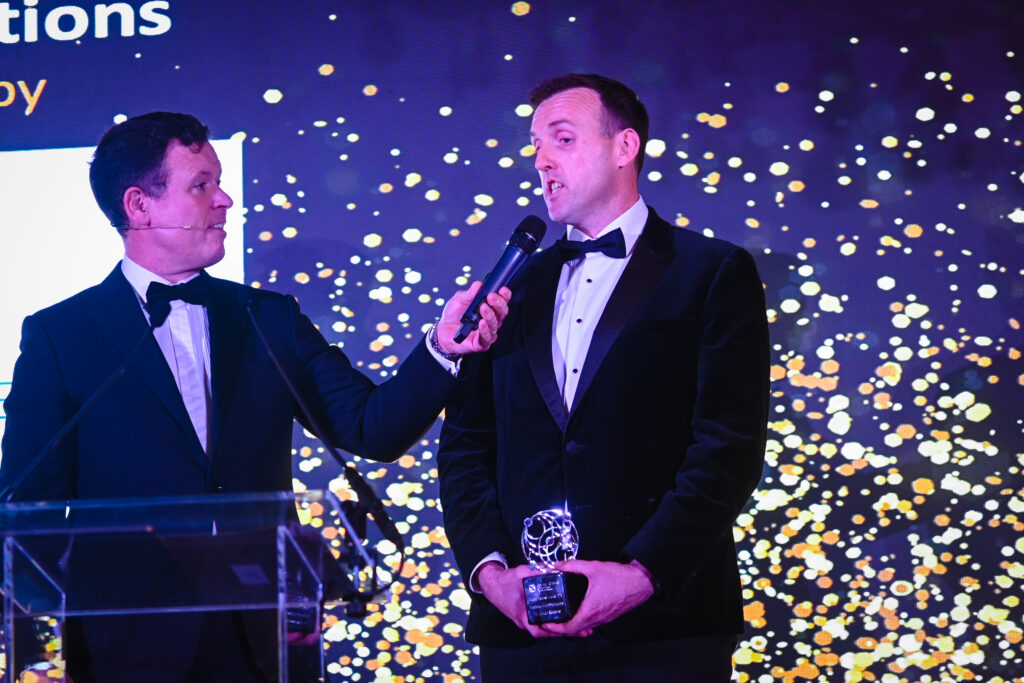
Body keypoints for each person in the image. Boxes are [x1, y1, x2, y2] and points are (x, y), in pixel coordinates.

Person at [0, 111, 509, 682]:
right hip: (127, 651)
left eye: (219, 182)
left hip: (266, 642)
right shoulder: (62, 336)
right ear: (139, 206)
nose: (224, 200)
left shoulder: (268, 318)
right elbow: (25, 507)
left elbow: (373, 427)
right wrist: (44, 639)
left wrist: (442, 348)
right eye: (201, 185)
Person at [437, 74, 770, 681]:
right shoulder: (510, 288)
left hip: (663, 627)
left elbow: (728, 447)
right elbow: (465, 446)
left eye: (562, 139)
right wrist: (490, 574)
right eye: (535, 145)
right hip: (522, 630)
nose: (542, 160)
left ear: (625, 146)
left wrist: (641, 573)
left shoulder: (712, 271)